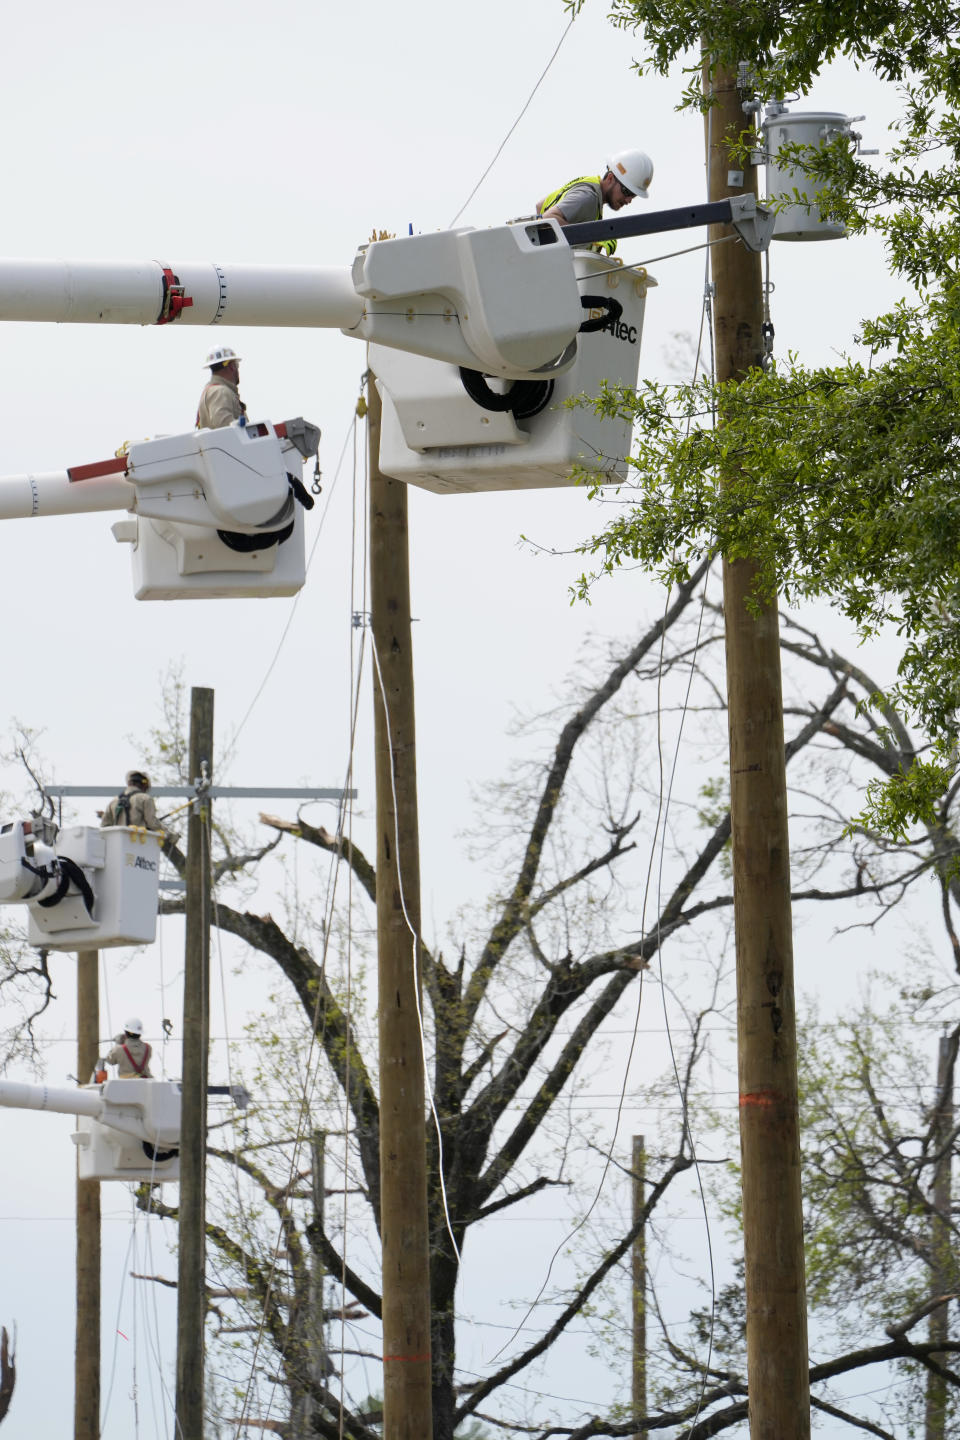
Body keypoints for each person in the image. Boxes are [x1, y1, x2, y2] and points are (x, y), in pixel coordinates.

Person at [536, 149, 654, 255]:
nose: (629, 200)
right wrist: (594, 237)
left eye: (633, 195)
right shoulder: (588, 197)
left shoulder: (590, 186)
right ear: (610, 178)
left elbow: (540, 206)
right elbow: (547, 219)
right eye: (626, 191)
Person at [197, 346, 247, 430]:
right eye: (237, 365)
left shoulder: (212, 390)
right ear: (232, 366)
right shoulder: (220, 392)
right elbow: (224, 427)